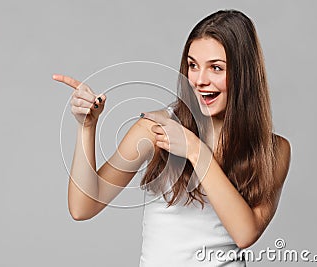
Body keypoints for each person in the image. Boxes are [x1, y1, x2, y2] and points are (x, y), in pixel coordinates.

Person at [53, 9, 291, 267]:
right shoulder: (156, 130)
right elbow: (82, 207)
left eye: (216, 68)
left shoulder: (274, 150)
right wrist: (87, 127)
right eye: (192, 65)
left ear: (244, 74)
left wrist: (194, 149)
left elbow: (246, 234)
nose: (200, 80)